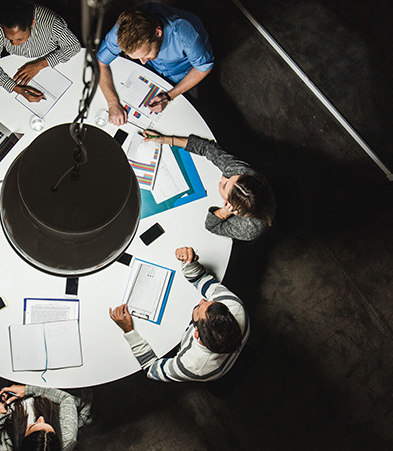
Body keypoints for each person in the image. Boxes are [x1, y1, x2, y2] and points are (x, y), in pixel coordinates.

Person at [109, 246, 249, 382]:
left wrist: (128, 331)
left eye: (198, 307)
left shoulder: (192, 366)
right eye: (208, 302)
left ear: (196, 334)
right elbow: (201, 278)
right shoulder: (233, 306)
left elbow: (151, 369)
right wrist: (189, 261)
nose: (201, 300)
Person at [144, 131, 275, 241]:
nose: (223, 177)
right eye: (230, 178)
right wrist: (167, 139)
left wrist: (224, 212)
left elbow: (212, 227)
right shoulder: (243, 173)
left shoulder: (250, 229)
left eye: (224, 186)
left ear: (233, 208)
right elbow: (208, 148)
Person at [97, 3, 214, 125]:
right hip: (152, 71)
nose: (143, 62)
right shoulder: (123, 29)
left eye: (146, 54)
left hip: (184, 76)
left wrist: (169, 96)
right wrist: (112, 103)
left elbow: (203, 68)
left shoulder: (184, 33)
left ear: (158, 32)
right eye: (137, 58)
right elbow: (100, 63)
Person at [0, 0, 80, 103]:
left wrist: (40, 64)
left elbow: (73, 46)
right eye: (9, 39)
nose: (13, 44)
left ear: (32, 23)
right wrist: (17, 89)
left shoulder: (52, 23)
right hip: (14, 60)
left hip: (52, 57)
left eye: (19, 39)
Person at [0, 384, 92, 451]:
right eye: (50, 427)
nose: (41, 418)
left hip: (21, 401)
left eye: (33, 425)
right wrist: (27, 389)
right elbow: (66, 399)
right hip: (56, 389)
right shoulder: (67, 439)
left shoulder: (10, 448)